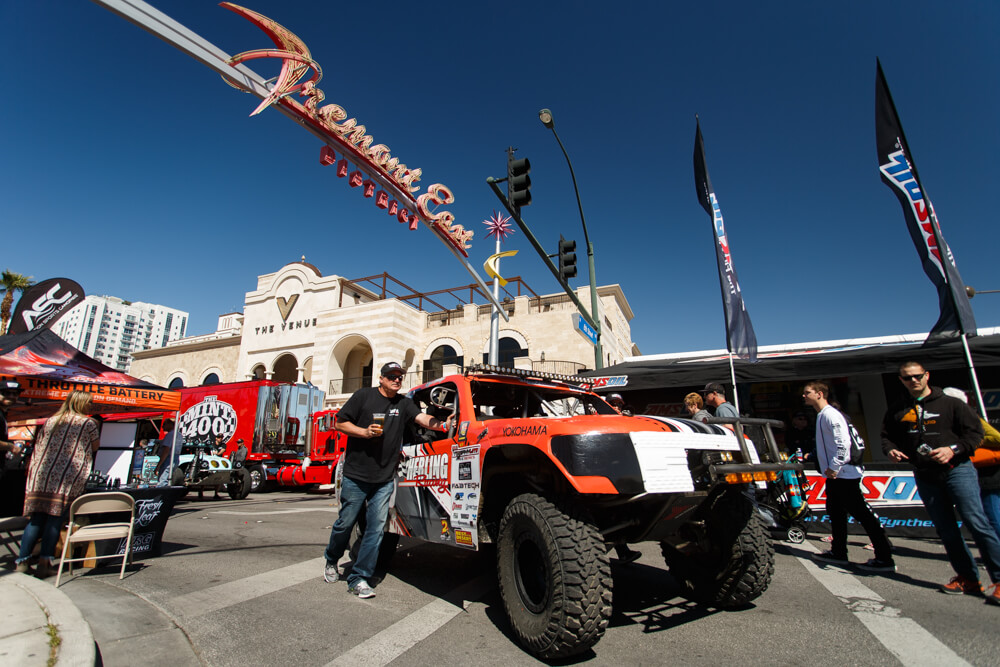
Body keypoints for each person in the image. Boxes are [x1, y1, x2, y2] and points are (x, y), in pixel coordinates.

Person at [324, 362, 452, 599]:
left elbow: (422, 419)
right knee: (346, 523)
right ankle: (331, 559)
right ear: (381, 379)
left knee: (376, 530)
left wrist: (444, 424)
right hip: (356, 476)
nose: (397, 380)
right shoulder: (363, 396)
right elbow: (340, 422)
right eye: (392, 376)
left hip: (384, 479)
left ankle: (359, 578)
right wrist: (364, 432)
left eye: (400, 377)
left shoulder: (403, 403)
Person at [882, 361, 1000, 604]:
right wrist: (891, 450)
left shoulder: (951, 404)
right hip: (925, 473)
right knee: (946, 529)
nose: (913, 381)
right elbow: (886, 436)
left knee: (976, 523)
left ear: (927, 376)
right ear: (901, 380)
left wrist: (952, 449)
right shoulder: (898, 408)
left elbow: (975, 434)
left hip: (957, 469)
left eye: (917, 376)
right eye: (907, 378)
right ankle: (968, 578)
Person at [803, 381, 895, 572]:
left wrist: (835, 466)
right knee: (836, 514)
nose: (804, 396)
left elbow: (843, 443)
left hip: (844, 474)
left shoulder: (831, 415)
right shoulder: (822, 415)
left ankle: (884, 557)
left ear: (819, 394)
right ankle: (838, 552)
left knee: (862, 514)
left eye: (807, 393)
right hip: (835, 475)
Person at [16, 391, 101, 577]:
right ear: (80, 403)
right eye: (89, 403)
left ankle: (22, 561)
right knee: (54, 521)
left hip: (42, 476)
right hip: (66, 477)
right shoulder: (88, 423)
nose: (91, 406)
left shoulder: (51, 420)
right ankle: (44, 563)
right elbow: (95, 446)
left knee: (36, 519)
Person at [942, 387, 1000, 540]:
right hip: (971, 473)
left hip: (987, 473)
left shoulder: (969, 418)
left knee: (992, 515)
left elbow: (997, 438)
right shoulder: (950, 421)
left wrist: (968, 441)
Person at [153, 418, 181, 485]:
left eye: (164, 424)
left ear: (170, 424)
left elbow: (166, 450)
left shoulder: (170, 435)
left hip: (168, 459)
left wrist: (158, 466)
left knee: (163, 480)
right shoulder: (179, 435)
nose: (162, 426)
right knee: (167, 479)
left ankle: (161, 494)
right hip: (175, 458)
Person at [0, 380, 22, 454]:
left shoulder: (3, 413)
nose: (11, 396)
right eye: (6, 393)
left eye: (15, 394)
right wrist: (11, 446)